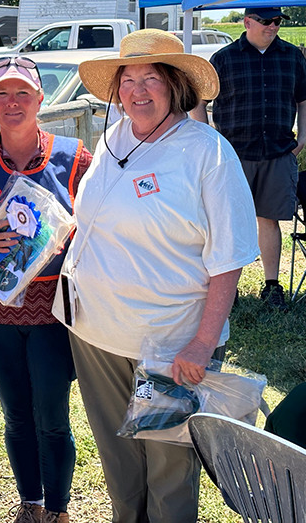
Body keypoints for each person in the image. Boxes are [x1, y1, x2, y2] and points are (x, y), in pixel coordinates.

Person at [56, 29, 259, 522]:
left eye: (151, 78)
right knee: (119, 466)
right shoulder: (111, 139)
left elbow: (229, 258)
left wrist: (202, 342)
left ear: (175, 86)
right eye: (128, 79)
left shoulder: (207, 152)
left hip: (170, 345)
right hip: (96, 335)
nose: (137, 90)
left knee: (168, 471)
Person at [0, 56, 92, 523]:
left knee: (52, 417)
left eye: (22, 93)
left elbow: (99, 229)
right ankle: (29, 502)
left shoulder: (75, 158)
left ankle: (58, 508)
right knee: (16, 416)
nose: (12, 103)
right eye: (2, 94)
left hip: (53, 313)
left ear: (40, 99)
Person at [193, 7, 306, 311]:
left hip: (278, 151)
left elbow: (303, 99)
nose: (273, 26)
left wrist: (304, 136)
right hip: (234, 155)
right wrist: (210, 142)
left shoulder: (293, 57)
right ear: (248, 22)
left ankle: (272, 287)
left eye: (277, 21)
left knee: (270, 220)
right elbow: (199, 103)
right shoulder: (224, 59)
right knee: (228, 224)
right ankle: (226, 290)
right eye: (267, 21)